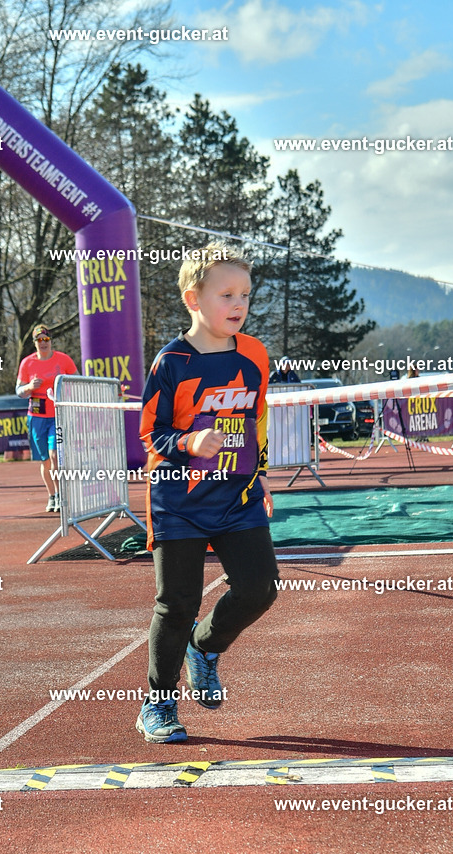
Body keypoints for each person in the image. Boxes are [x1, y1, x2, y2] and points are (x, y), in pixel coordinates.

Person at [137, 243, 278, 743]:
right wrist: (190, 441)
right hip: (179, 500)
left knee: (260, 588)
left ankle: (205, 646)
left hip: (236, 497)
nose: (239, 304)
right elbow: (150, 433)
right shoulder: (171, 361)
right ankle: (158, 704)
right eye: (227, 294)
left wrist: (259, 473)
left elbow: (256, 420)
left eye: (245, 293)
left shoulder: (256, 353)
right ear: (194, 299)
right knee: (176, 603)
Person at [15, 324, 78, 512]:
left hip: (58, 416)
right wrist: (29, 387)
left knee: (55, 456)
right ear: (34, 343)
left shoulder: (63, 360)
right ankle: (52, 495)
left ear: (51, 341)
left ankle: (60, 494)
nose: (43, 343)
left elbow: (76, 381)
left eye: (46, 339)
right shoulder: (27, 363)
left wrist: (65, 391)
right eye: (39, 340)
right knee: (45, 460)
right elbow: (19, 391)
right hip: (37, 416)